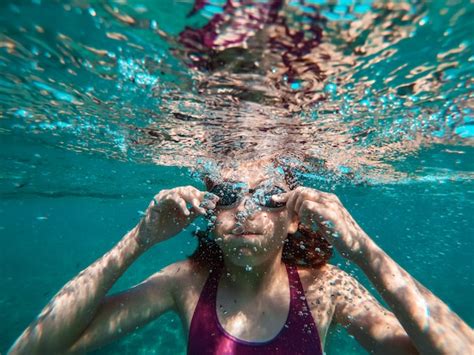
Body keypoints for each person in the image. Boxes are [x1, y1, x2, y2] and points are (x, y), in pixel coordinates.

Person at [8, 160, 474, 354]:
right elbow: (35, 348)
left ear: (294, 217)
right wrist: (140, 238)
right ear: (209, 214)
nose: (245, 211)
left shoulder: (326, 287)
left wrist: (362, 249)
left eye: (270, 196)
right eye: (228, 195)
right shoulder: (184, 282)